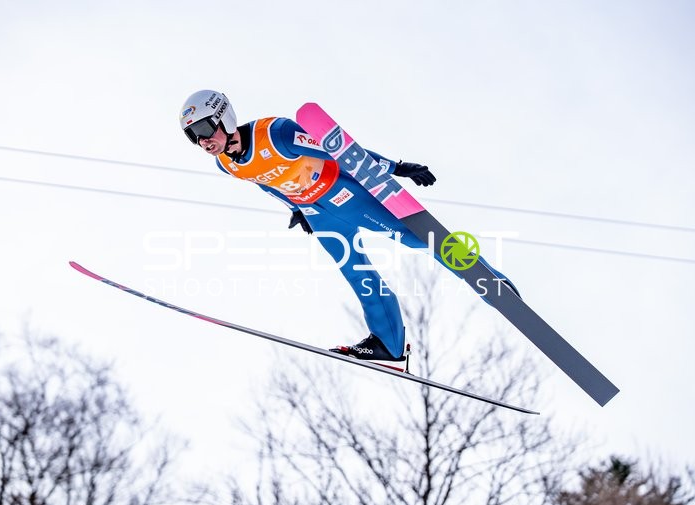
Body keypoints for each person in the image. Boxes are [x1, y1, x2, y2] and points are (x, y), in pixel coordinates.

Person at [179, 90, 512, 364]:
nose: (203, 142)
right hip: (318, 212)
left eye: (206, 130)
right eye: (194, 137)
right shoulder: (226, 165)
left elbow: (339, 152)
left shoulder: (276, 133)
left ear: (225, 119)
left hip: (345, 194)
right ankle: (389, 344)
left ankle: (491, 281)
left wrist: (395, 167)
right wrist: (297, 210)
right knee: (356, 272)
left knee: (417, 239)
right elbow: (266, 183)